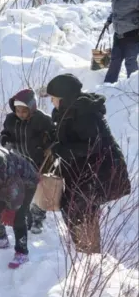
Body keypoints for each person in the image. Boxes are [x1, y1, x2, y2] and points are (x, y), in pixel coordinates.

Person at [46, 74, 131, 254]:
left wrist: (62, 149)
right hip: (83, 170)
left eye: (53, 98)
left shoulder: (84, 113)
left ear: (63, 97)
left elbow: (93, 145)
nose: (51, 101)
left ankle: (89, 253)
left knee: (78, 210)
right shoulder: (68, 112)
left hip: (100, 170)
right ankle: (85, 251)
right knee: (76, 209)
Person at [0, 88, 54, 234]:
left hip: (40, 161)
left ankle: (38, 219)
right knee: (24, 189)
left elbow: (55, 135)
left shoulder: (42, 120)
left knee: (40, 191)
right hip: (20, 161)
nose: (20, 114)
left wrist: (50, 146)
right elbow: (4, 133)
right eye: (18, 110)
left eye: (24, 111)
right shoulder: (11, 120)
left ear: (32, 107)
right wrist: (5, 140)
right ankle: (26, 214)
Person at [104, 0, 139, 84]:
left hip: (133, 33)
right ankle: (107, 85)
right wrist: (110, 20)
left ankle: (133, 87)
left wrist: (135, 23)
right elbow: (116, 10)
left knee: (130, 61)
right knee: (115, 60)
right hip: (118, 33)